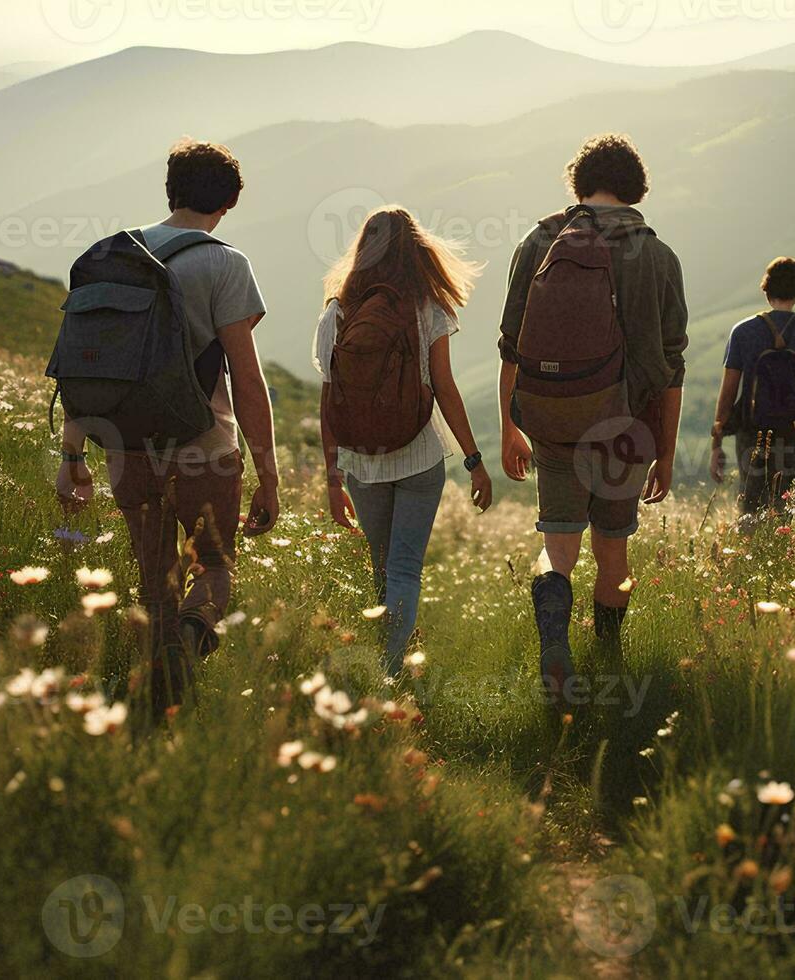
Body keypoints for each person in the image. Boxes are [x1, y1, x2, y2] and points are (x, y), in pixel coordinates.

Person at [56, 138, 279, 719]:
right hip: (203, 446)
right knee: (213, 568)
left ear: (170, 191)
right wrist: (269, 475)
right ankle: (189, 644)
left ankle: (158, 703)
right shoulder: (226, 264)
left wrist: (72, 456)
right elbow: (247, 378)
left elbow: (87, 363)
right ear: (229, 201)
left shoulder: (111, 256)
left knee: (155, 581)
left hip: (126, 445)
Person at [498, 133, 687, 706]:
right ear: (636, 190)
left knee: (557, 545)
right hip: (625, 429)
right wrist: (667, 453)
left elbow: (511, 344)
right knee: (612, 548)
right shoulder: (656, 256)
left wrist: (510, 425)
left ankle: (554, 643)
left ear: (579, 185)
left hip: (552, 418)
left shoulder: (539, 241)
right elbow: (672, 365)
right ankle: (607, 658)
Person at [315, 208, 494, 678]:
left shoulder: (337, 311)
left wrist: (333, 478)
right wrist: (474, 460)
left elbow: (330, 400)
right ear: (414, 253)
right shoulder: (427, 309)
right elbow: (445, 389)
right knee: (405, 567)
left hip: (361, 463)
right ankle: (393, 670)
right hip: (418, 459)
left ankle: (386, 655)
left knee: (382, 568)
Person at [709, 257, 795, 523]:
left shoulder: (743, 332)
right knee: (794, 511)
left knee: (751, 508)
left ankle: (750, 558)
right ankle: (788, 559)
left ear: (765, 289)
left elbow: (728, 393)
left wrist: (716, 444)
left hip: (752, 434)